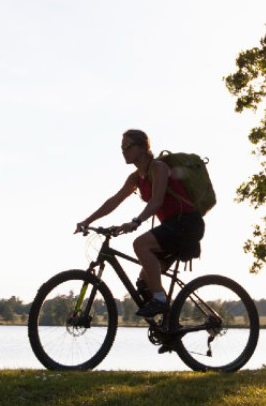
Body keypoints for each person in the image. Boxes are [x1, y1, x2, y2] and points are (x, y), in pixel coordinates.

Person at [75, 129, 205, 318]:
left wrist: (135, 222)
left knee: (140, 244)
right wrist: (87, 221)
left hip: (186, 224)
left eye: (128, 146)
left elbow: (156, 200)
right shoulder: (135, 178)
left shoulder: (158, 168)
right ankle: (169, 328)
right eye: (121, 147)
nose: (123, 151)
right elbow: (114, 200)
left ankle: (160, 299)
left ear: (143, 147)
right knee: (144, 283)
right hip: (172, 227)